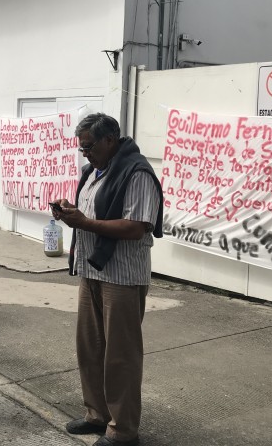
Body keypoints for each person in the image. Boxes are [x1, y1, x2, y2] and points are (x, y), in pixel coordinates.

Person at [52, 113, 163, 446]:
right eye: (81, 148)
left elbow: (135, 226)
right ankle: (97, 415)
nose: (84, 153)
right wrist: (69, 212)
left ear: (109, 140)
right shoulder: (94, 171)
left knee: (121, 355)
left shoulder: (137, 173)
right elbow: (93, 213)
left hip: (122, 277)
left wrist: (84, 222)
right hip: (92, 270)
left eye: (88, 147)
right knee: (90, 348)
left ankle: (123, 429)